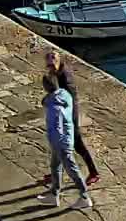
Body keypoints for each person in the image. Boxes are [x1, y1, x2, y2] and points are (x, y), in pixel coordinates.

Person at [42, 51, 100, 187]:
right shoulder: (54, 74)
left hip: (68, 114)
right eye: (48, 64)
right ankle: (56, 173)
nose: (50, 66)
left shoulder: (64, 77)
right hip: (61, 113)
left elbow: (68, 98)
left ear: (58, 61)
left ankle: (93, 172)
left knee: (77, 145)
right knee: (58, 145)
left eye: (52, 62)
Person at [37, 73, 93, 210]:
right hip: (66, 138)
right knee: (55, 167)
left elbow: (57, 127)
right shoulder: (64, 95)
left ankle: (84, 197)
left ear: (46, 86)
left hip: (60, 142)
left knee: (72, 169)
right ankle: (54, 194)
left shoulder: (54, 108)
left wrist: (56, 143)